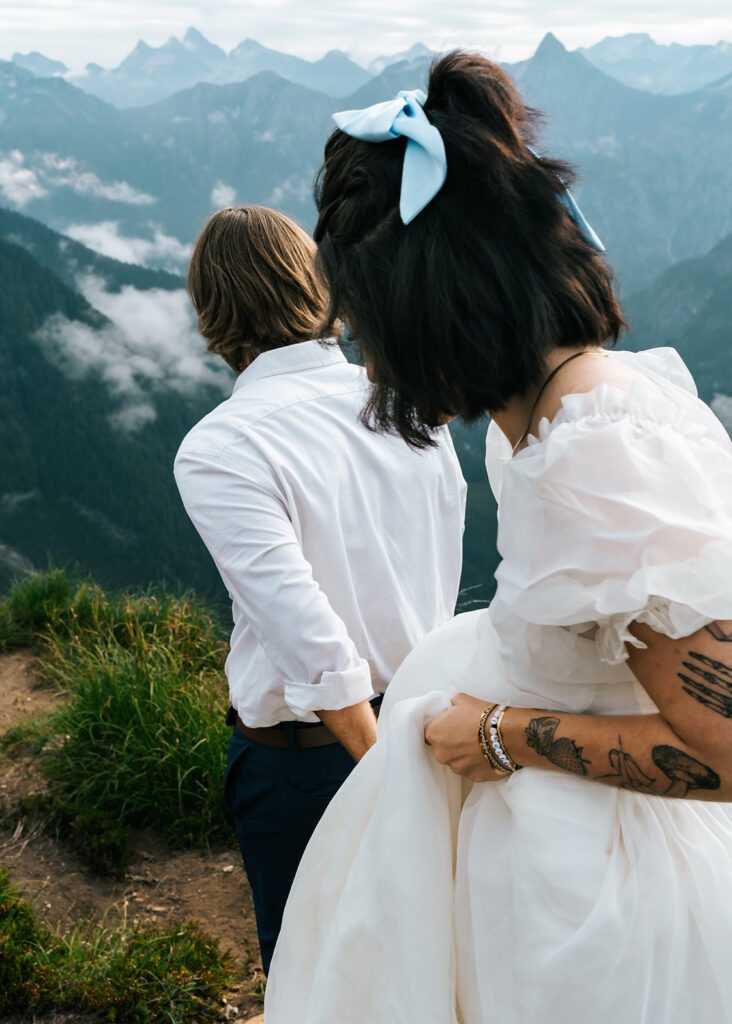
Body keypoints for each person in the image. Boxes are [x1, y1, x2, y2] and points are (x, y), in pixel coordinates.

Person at [263, 53, 732, 1023]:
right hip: (556, 859)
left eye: (367, 316)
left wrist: (498, 732)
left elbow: (727, 749)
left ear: (431, 309)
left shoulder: (592, 454)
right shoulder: (586, 399)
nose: (362, 345)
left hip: (594, 911)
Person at [173, 205, 466, 975]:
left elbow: (310, 637)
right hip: (435, 728)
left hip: (313, 759)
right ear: (315, 285)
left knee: (316, 975)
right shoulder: (408, 407)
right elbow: (437, 565)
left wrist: (378, 778)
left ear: (212, 310)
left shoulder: (220, 447)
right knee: (427, 964)